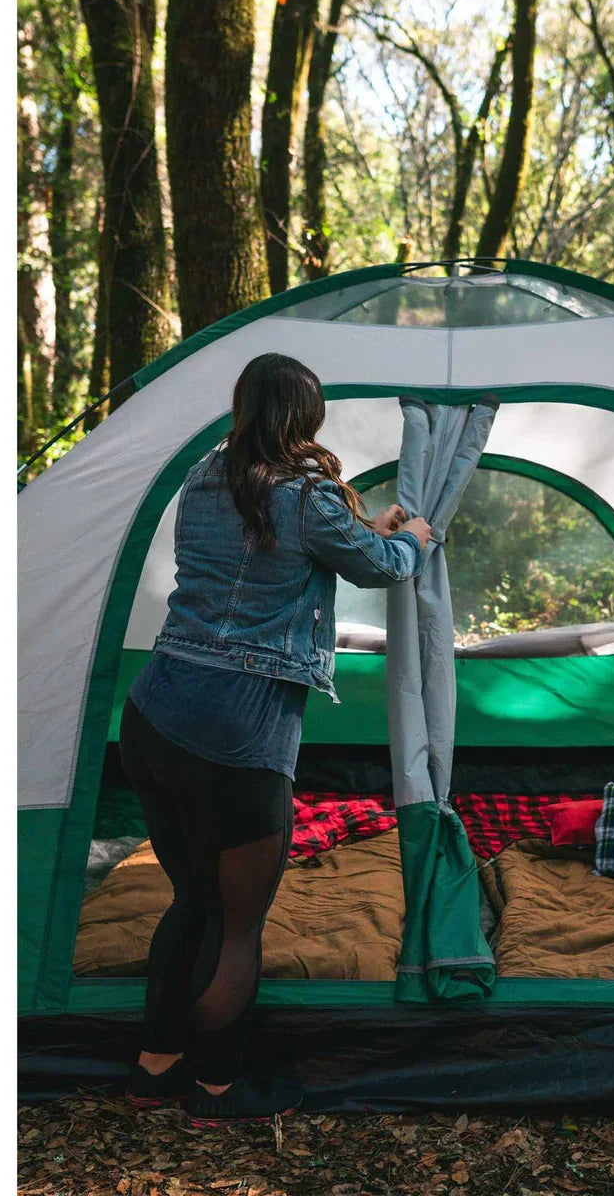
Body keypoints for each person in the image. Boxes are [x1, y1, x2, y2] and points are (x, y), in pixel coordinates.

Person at [120, 352, 430, 1124]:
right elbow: (381, 567)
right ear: (304, 418)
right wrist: (414, 536)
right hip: (238, 728)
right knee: (237, 924)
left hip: (155, 713)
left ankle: (154, 1066)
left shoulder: (203, 476)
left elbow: (286, 545)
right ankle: (219, 1089)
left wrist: (366, 523)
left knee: (190, 898)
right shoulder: (306, 496)